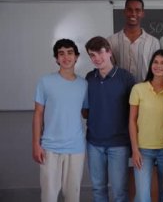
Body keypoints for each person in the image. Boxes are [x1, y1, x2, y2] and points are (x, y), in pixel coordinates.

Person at [32, 39, 87, 202]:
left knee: (72, 196)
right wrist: (36, 144)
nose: (66, 57)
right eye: (61, 53)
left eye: (70, 53)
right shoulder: (45, 82)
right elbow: (38, 114)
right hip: (50, 147)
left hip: (76, 147)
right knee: (48, 196)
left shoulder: (84, 84)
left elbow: (86, 112)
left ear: (76, 57)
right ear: (56, 58)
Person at [84, 36, 135, 202]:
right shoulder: (89, 78)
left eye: (100, 52)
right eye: (92, 55)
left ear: (109, 52)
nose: (97, 58)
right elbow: (85, 109)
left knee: (119, 191)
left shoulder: (126, 78)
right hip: (94, 143)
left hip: (119, 144)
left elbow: (134, 113)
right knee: (98, 189)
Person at [129, 49, 163, 202]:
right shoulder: (138, 89)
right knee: (142, 197)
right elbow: (132, 121)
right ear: (150, 65)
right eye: (155, 62)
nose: (158, 66)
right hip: (143, 150)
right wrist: (135, 150)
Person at [108, 0, 160, 83]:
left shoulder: (153, 43)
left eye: (137, 10)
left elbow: (157, 71)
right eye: (129, 10)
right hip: (120, 92)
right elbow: (109, 69)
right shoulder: (111, 41)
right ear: (124, 12)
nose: (133, 13)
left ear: (143, 13)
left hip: (145, 93)